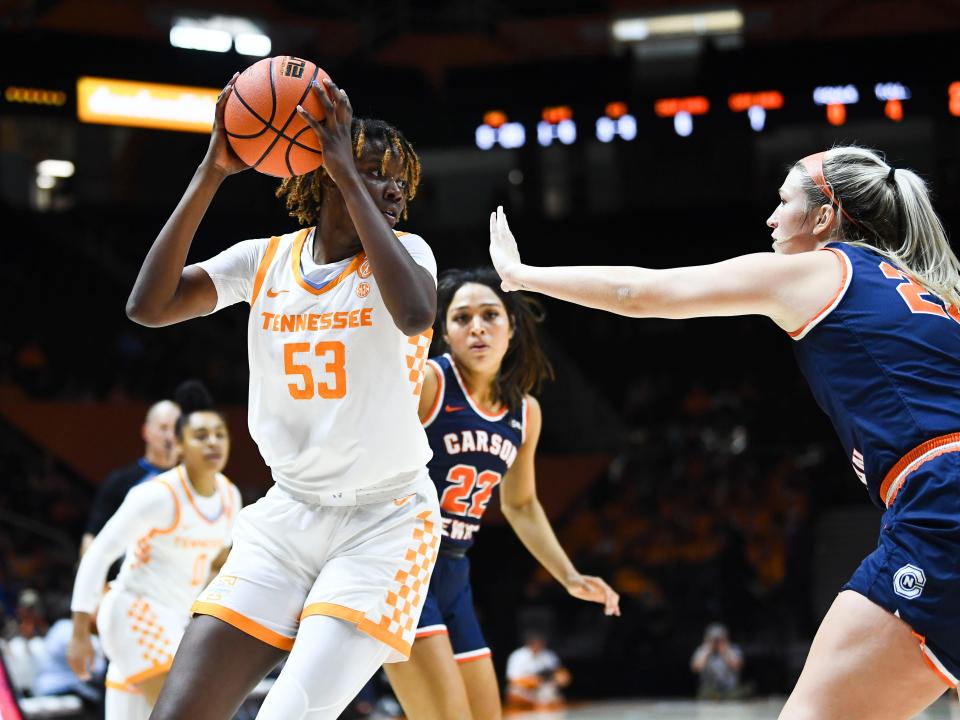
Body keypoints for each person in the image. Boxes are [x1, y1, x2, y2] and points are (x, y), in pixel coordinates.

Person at [488, 146, 960, 719]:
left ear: (823, 217)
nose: (770, 218)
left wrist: (522, 276)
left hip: (942, 504)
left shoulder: (823, 269)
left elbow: (642, 294)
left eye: (784, 202)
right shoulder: (931, 295)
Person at [125, 70, 441, 720]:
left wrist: (352, 179)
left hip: (386, 523)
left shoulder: (409, 255)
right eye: (372, 169)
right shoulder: (262, 261)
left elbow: (413, 315)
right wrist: (212, 171)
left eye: (398, 184)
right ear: (318, 168)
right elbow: (147, 306)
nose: (391, 188)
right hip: (287, 518)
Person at [384, 267, 620, 720]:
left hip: (455, 573)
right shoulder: (429, 383)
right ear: (445, 333)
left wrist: (569, 575)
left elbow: (520, 503)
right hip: (402, 566)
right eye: (461, 317)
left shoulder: (525, 412)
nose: (477, 326)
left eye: (490, 315)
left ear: (511, 328)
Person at [68, 381, 239, 720]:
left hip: (176, 619)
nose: (213, 443)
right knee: (192, 713)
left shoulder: (230, 497)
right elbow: (98, 553)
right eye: (201, 436)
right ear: (180, 445)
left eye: (220, 434)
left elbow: (219, 563)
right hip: (135, 612)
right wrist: (79, 632)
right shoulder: (156, 495)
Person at [81, 400, 181, 557]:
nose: (170, 436)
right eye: (163, 428)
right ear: (146, 431)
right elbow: (92, 537)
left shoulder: (191, 482)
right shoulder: (119, 481)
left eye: (176, 429)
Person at [504, 630, 570, 711]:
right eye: (535, 643)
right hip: (525, 690)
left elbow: (561, 673)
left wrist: (561, 677)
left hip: (543, 689)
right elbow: (512, 680)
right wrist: (533, 681)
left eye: (540, 643)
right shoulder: (518, 656)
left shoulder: (549, 655)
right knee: (513, 693)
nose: (538, 645)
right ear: (529, 643)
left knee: (558, 700)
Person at [690, 622, 743, 700]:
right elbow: (696, 668)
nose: (716, 642)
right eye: (714, 639)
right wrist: (707, 653)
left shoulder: (733, 649)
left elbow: (737, 666)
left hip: (729, 691)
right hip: (709, 691)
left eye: (719, 639)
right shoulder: (703, 650)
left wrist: (725, 652)